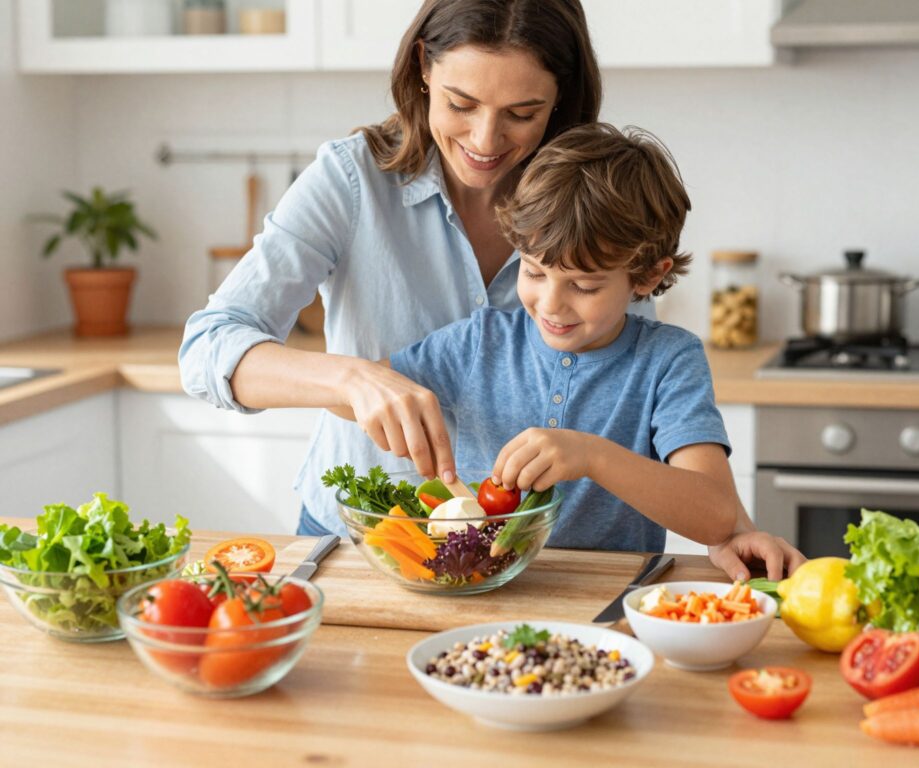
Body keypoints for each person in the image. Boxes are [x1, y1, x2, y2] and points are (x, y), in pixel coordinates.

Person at [179, 0, 801, 577]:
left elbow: (644, 403)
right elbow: (209, 346)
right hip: (369, 549)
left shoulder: (586, 197)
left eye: (522, 114)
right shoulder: (351, 180)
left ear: (559, 99)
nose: (484, 140)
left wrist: (731, 529)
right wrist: (351, 380)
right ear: (424, 68)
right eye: (461, 103)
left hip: (564, 576)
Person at [330, 123, 805, 568]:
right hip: (483, 584)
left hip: (607, 595)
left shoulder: (668, 361)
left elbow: (715, 515)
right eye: (533, 272)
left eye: (583, 286)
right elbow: (352, 395)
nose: (551, 304)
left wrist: (592, 456)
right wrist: (370, 390)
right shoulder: (480, 342)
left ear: (646, 277)